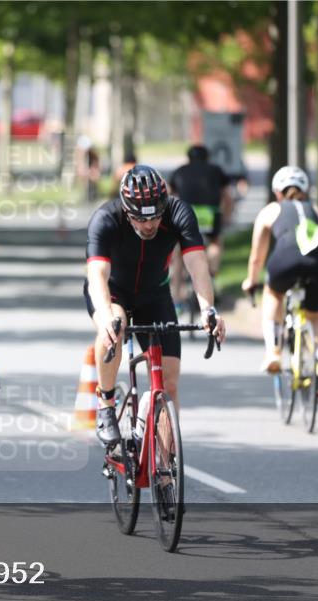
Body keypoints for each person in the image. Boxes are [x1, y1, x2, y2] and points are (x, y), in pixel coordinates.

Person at [86, 165, 227, 445]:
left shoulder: (179, 213)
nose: (149, 225)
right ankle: (105, 403)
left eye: (155, 216)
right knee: (115, 323)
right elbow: (97, 276)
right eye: (140, 218)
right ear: (127, 211)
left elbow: (197, 264)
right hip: (113, 293)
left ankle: (164, 472)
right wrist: (104, 318)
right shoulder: (105, 218)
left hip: (155, 295)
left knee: (170, 383)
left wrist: (208, 309)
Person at [241, 166, 318, 400]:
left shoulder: (271, 210)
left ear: (277, 192)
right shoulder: (315, 210)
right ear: (305, 190)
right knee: (316, 317)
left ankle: (273, 352)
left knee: (273, 294)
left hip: (286, 260)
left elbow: (257, 256)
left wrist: (251, 282)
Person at [169, 144, 234, 280]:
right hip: (211, 213)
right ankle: (211, 274)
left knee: (179, 249)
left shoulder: (179, 171)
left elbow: (170, 196)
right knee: (215, 242)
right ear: (207, 157)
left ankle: (177, 292)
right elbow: (228, 196)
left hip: (186, 213)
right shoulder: (217, 170)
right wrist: (227, 216)